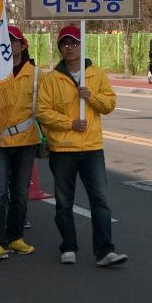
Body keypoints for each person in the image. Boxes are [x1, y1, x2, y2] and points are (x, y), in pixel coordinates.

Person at [36, 24, 127, 268]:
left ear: (82, 46)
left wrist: (92, 97)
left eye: (74, 43)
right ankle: (68, 247)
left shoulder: (96, 74)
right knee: (64, 202)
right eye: (65, 44)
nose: (70, 47)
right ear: (59, 48)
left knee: (100, 201)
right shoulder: (51, 78)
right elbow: (42, 112)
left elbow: (109, 105)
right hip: (63, 149)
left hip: (91, 149)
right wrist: (69, 123)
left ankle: (105, 251)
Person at [0, 26, 40, 261]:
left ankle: (15, 237)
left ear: (22, 45)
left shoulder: (36, 74)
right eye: (4, 41)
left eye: (13, 40)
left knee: (19, 193)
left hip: (26, 142)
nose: (9, 44)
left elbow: (44, 107)